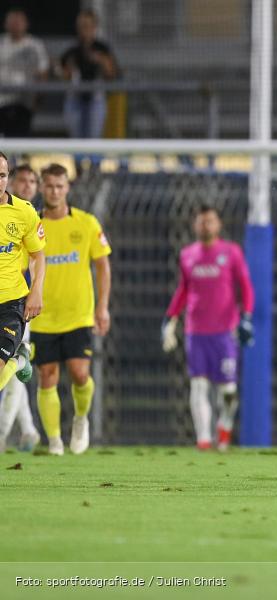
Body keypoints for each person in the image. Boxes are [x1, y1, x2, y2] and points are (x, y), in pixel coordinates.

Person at [31, 163, 111, 456]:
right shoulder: (34, 225)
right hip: (43, 316)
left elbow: (103, 265)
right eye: (49, 185)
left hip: (79, 314)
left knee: (79, 373)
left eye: (59, 186)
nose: (54, 191)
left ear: (68, 188)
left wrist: (102, 307)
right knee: (47, 375)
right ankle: (53, 441)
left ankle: (80, 419)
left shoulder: (87, 223)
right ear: (42, 187)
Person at [163, 205, 254, 451]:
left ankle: (224, 427)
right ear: (195, 225)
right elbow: (183, 289)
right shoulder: (187, 255)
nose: (206, 226)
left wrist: (246, 316)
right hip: (195, 331)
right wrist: (170, 319)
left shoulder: (231, 252)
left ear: (218, 224)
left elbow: (245, 286)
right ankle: (203, 439)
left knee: (227, 389)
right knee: (199, 385)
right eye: (202, 222)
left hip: (225, 332)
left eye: (210, 221)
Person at [0, 152, 45, 436]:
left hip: (12, 302)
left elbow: (38, 256)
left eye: (2, 175)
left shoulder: (24, 212)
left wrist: (36, 291)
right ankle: (20, 359)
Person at [60, 9, 118, 139]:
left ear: (94, 27)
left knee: (94, 139)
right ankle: (78, 160)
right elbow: (64, 76)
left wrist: (101, 61)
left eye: (87, 26)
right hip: (75, 99)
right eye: (81, 26)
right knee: (76, 140)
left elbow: (112, 75)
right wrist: (68, 71)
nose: (84, 30)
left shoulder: (102, 48)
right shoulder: (72, 50)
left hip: (96, 100)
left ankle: (94, 160)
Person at [0, 8, 49, 137]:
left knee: (20, 140)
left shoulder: (35, 45)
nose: (16, 25)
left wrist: (37, 100)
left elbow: (43, 73)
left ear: (26, 24)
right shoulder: (1, 43)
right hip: (1, 101)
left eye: (19, 22)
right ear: (6, 24)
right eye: (12, 22)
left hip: (24, 103)